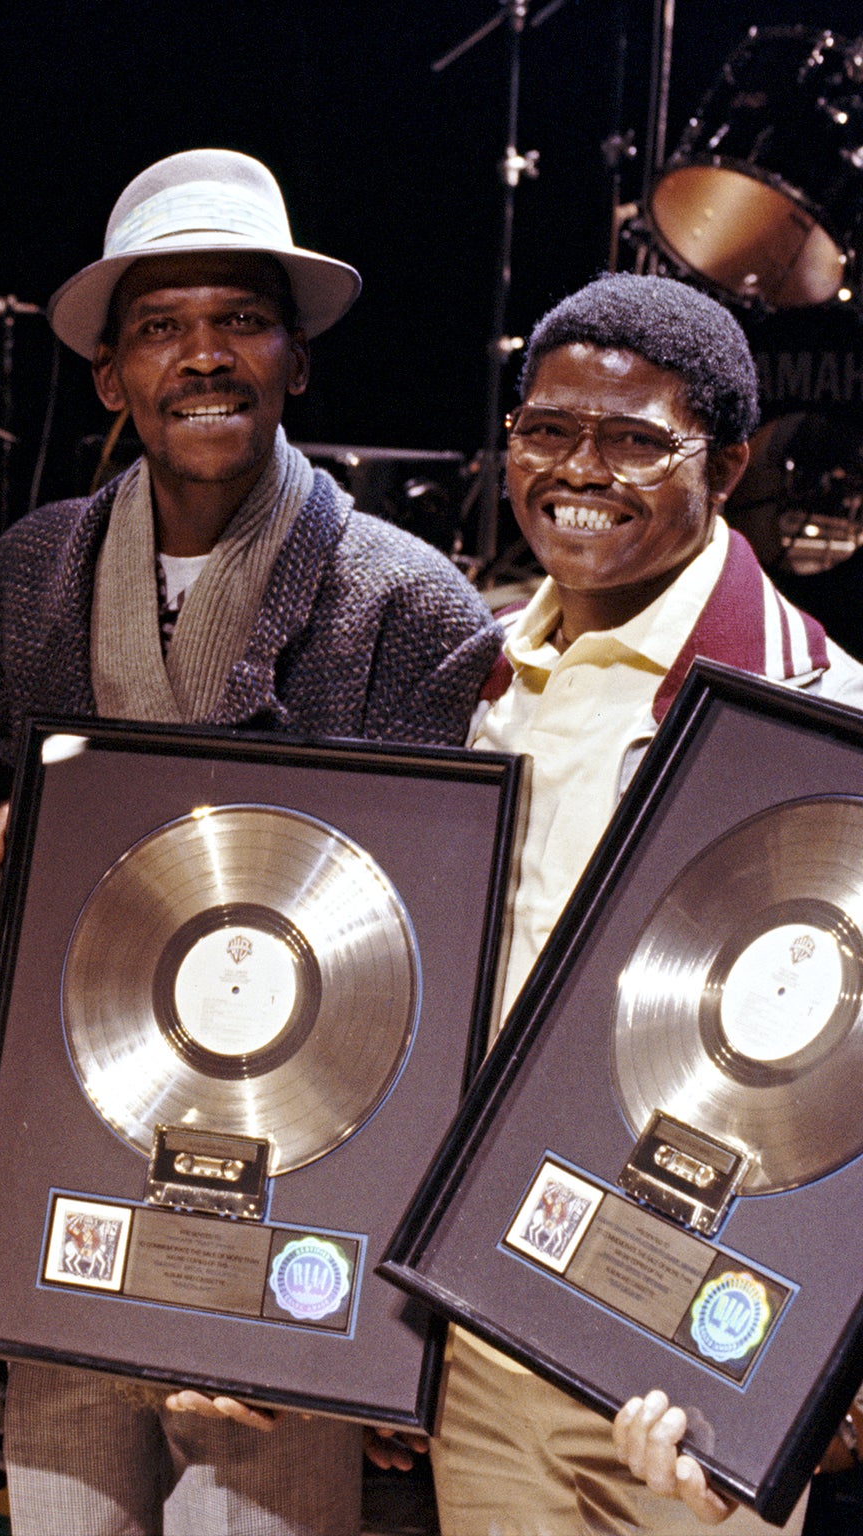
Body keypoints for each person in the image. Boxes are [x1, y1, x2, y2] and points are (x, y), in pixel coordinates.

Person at [0, 148, 503, 1536]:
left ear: (297, 360)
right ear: (108, 376)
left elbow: (423, 979)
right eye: (160, 329)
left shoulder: (410, 606)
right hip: (73, 1174)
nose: (204, 358)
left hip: (291, 1201)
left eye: (240, 321)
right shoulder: (25, 580)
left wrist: (355, 1321)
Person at [434, 271, 863, 1534]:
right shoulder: (475, 677)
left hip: (701, 1370)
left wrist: (829, 1392)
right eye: (547, 430)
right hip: (489, 1339)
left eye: (634, 442)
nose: (579, 471)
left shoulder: (820, 718)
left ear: (723, 467)